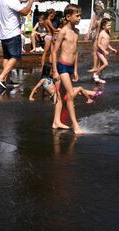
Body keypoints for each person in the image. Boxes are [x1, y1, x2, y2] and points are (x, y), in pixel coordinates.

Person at [52, 4, 84, 134]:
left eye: (80, 15)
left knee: (61, 95)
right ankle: (75, 125)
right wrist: (54, 70)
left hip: (70, 67)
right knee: (70, 95)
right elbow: (54, 52)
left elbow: (75, 52)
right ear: (68, 16)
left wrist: (75, 70)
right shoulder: (63, 31)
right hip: (62, 65)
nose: (79, 18)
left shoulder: (76, 32)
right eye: (77, 16)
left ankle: (56, 122)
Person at [0, 0, 35, 89]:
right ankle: (1, 77)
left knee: (7, 57)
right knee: (15, 56)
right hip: (13, 33)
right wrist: (31, 2)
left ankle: (7, 80)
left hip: (4, 34)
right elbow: (25, 12)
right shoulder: (11, 0)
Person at [29, 63, 102, 103]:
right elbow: (35, 88)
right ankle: (89, 99)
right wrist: (31, 97)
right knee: (79, 88)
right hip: (56, 96)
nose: (54, 72)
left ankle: (93, 94)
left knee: (73, 89)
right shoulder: (43, 80)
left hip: (60, 93)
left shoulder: (51, 78)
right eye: (52, 71)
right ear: (47, 71)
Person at [94, 18, 117, 84]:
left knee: (101, 66)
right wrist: (104, 50)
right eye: (108, 25)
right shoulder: (101, 33)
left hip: (104, 52)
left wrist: (112, 49)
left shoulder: (108, 32)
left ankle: (97, 79)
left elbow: (107, 43)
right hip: (100, 52)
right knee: (105, 64)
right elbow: (98, 44)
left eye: (110, 25)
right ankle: (95, 74)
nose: (110, 27)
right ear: (103, 26)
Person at [85, 5, 104, 75]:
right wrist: (88, 34)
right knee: (96, 51)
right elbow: (91, 26)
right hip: (95, 35)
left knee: (97, 51)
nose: (97, 11)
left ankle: (97, 67)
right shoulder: (95, 16)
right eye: (96, 10)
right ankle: (97, 67)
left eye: (98, 10)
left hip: (99, 36)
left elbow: (99, 27)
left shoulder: (102, 17)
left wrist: (96, 36)